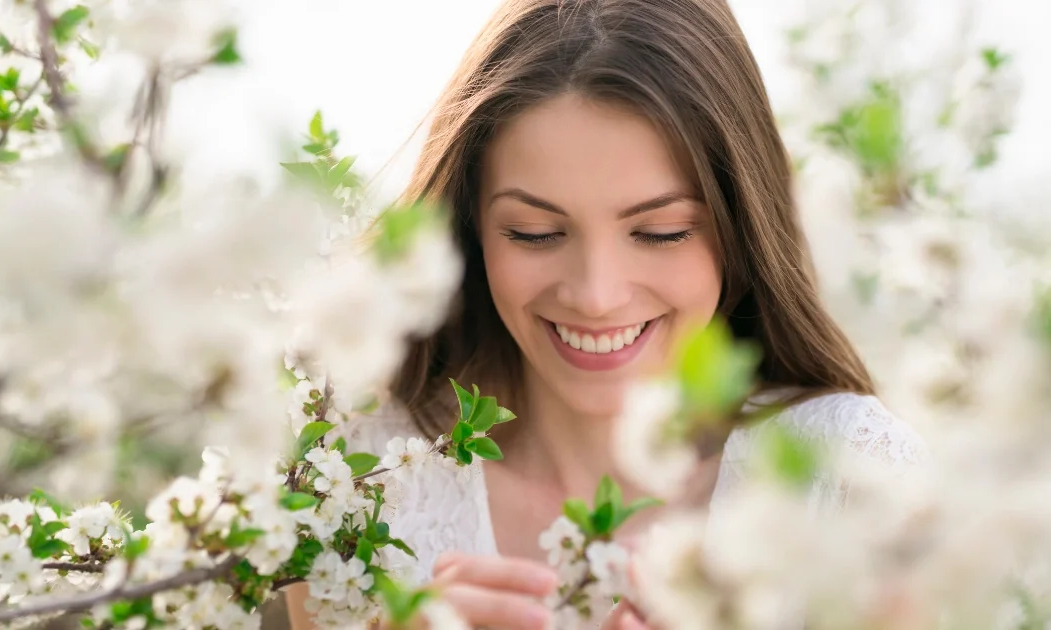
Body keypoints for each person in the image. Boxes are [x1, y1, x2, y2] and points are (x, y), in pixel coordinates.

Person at [288, 0, 926, 628]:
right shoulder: (354, 481)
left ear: (739, 228)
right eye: (535, 232)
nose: (596, 296)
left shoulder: (860, 487)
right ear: (468, 228)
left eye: (660, 232)